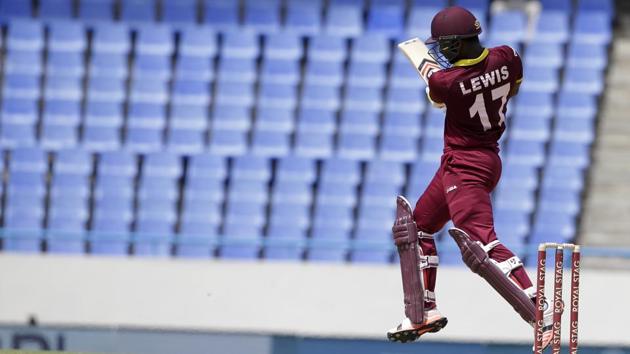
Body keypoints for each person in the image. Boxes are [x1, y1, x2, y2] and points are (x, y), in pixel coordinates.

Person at [386, 6, 554, 348]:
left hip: (466, 165)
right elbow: (512, 90)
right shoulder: (508, 57)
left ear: (457, 43)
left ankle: (538, 304)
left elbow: (438, 96)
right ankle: (423, 311)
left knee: (479, 241)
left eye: (443, 46)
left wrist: (433, 69)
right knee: (416, 229)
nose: (439, 53)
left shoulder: (445, 82)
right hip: (482, 156)